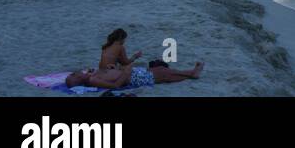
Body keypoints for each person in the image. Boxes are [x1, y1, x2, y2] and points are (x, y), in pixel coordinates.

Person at [65, 61, 203, 90]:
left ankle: (190, 74)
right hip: (132, 77)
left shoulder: (91, 75)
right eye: (74, 75)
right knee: (163, 74)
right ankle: (191, 73)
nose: (75, 73)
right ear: (78, 80)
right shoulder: (93, 80)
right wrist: (126, 72)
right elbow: (115, 85)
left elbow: (108, 74)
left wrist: (110, 68)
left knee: (162, 72)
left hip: (131, 74)